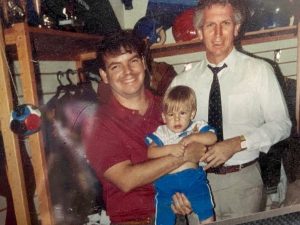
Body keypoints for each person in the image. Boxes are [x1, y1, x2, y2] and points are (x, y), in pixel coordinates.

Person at [169, 0, 292, 220]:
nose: (217, 33)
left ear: (236, 28)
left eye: (225, 23)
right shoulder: (182, 82)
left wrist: (236, 143)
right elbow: (169, 140)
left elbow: (282, 125)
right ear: (199, 31)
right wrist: (176, 188)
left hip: (244, 182)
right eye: (209, 25)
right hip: (197, 181)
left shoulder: (259, 71)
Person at [84, 30, 206, 225]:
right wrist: (184, 155)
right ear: (104, 75)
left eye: (132, 61)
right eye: (116, 66)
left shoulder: (167, 108)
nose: (128, 72)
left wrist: (185, 195)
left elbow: (195, 155)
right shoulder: (97, 123)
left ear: (143, 63)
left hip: (175, 216)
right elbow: (126, 179)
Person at [145, 85, 216, 225]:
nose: (177, 119)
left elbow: (212, 138)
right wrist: (170, 149)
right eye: (171, 115)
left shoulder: (196, 127)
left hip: (192, 179)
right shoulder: (162, 132)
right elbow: (151, 152)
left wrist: (192, 138)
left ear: (192, 113)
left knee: (206, 210)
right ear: (164, 117)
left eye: (182, 113)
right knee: (163, 217)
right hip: (166, 182)